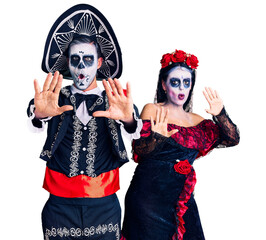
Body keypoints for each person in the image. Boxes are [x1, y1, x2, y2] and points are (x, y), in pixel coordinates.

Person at [27, 4, 142, 240]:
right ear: (67, 63)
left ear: (99, 63)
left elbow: (136, 133)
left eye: (88, 59)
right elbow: (34, 122)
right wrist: (40, 115)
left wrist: (129, 119)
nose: (81, 68)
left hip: (105, 206)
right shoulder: (53, 97)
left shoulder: (116, 101)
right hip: (59, 206)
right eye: (75, 60)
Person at [121, 50, 240, 240]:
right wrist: (157, 137)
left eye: (187, 82)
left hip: (181, 200)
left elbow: (232, 139)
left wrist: (220, 114)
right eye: (175, 82)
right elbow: (139, 150)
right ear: (163, 84)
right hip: (147, 201)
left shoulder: (198, 121)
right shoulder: (153, 110)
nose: (181, 88)